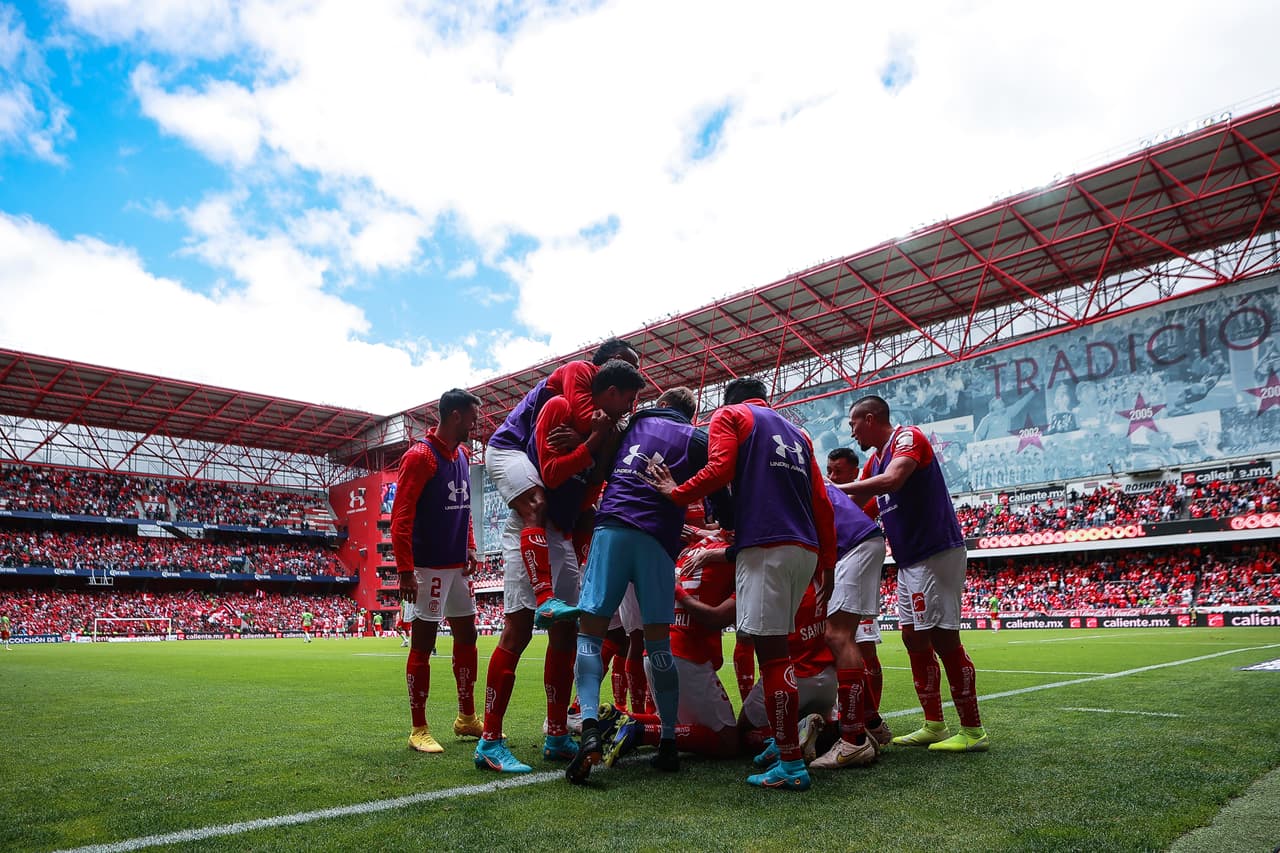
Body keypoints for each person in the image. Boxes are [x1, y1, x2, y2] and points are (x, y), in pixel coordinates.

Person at [646, 376, 836, 792]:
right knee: (778, 649)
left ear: (729, 401)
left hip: (765, 544)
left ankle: (789, 762)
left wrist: (676, 493)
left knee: (772, 658)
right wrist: (829, 562)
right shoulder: (799, 433)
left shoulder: (731, 415)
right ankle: (787, 742)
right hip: (805, 548)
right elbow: (820, 499)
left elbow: (719, 469)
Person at [477, 360, 645, 773]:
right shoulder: (558, 407)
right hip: (531, 531)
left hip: (562, 536)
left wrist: (594, 446)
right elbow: (551, 476)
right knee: (517, 632)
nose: (631, 406)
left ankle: (556, 733)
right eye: (628, 397)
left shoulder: (608, 434)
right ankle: (489, 741)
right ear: (607, 390)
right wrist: (588, 444)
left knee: (566, 634)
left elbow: (589, 488)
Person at [565, 386, 715, 783]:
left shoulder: (636, 421)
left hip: (613, 526)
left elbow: (600, 451)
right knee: (657, 643)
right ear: (690, 413)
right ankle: (667, 742)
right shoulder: (698, 439)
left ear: (662, 404)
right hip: (657, 539)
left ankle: (591, 728)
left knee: (590, 635)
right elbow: (717, 481)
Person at [837, 395, 989, 752]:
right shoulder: (874, 460)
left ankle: (972, 730)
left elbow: (892, 481)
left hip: (935, 551)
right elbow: (860, 506)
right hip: (909, 560)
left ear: (870, 419)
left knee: (943, 639)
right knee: (913, 638)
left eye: (853, 424)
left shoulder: (908, 439)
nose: (851, 431)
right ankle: (934, 724)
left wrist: (833, 490)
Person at [484, 338, 640, 630]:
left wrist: (594, 441)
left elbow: (597, 472)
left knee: (588, 514)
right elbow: (584, 422)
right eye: (627, 365)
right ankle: (544, 599)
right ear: (609, 365)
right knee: (536, 503)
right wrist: (595, 440)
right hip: (509, 448)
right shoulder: (579, 372)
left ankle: (583, 590)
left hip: (552, 492)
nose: (631, 373)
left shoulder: (606, 415)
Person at [391, 388, 484, 754]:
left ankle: (466, 718)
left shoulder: (461, 454)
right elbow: (401, 518)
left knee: (468, 636)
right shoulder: (420, 457)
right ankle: (418, 728)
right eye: (473, 417)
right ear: (456, 415)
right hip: (429, 567)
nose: (476, 424)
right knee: (424, 645)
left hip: (457, 565)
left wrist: (471, 545)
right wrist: (404, 570)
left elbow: (464, 505)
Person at [810, 446, 889, 769]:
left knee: (837, 636)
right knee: (844, 639)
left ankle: (854, 740)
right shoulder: (806, 475)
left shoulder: (790, 479)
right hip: (858, 546)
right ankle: (869, 722)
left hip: (853, 548)